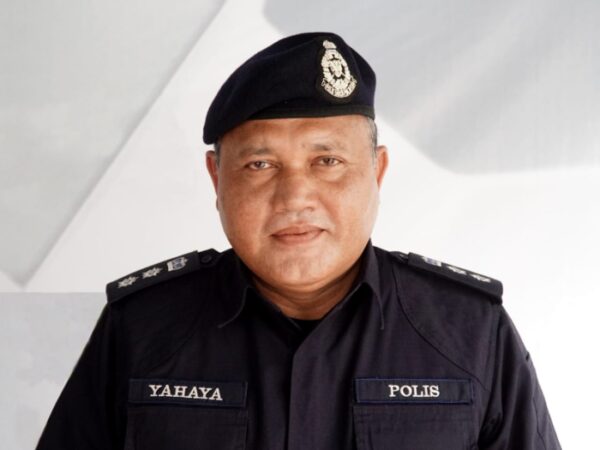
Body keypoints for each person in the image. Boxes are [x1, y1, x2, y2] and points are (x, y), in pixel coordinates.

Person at [36, 32, 561, 450]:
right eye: (260, 165)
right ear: (217, 179)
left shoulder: (470, 333)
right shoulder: (143, 328)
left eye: (327, 161)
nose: (295, 197)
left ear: (376, 172)